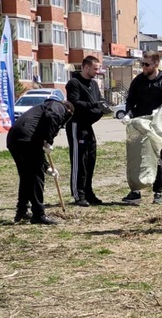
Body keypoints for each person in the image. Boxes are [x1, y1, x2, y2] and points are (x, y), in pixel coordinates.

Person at [7, 99, 74, 225]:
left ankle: (22, 210)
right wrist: (49, 141)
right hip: (27, 139)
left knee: (26, 176)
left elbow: (37, 142)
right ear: (68, 111)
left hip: (15, 137)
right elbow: (52, 117)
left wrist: (47, 166)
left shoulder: (43, 108)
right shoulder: (59, 107)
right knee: (36, 177)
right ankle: (38, 214)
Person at [121, 51, 162, 205]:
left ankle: (158, 192)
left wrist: (157, 112)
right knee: (136, 157)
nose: (143, 67)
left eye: (146, 64)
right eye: (142, 64)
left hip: (156, 125)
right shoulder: (138, 81)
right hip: (139, 124)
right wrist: (128, 113)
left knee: (157, 157)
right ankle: (135, 191)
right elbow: (131, 99)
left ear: (156, 64)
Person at [66, 55, 105, 207]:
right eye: (95, 68)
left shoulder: (94, 85)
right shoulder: (74, 83)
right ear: (86, 67)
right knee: (79, 160)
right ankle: (78, 193)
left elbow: (99, 102)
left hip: (89, 125)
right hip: (77, 125)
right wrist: (93, 105)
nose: (97, 71)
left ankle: (88, 192)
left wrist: (100, 109)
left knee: (90, 159)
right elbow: (74, 103)